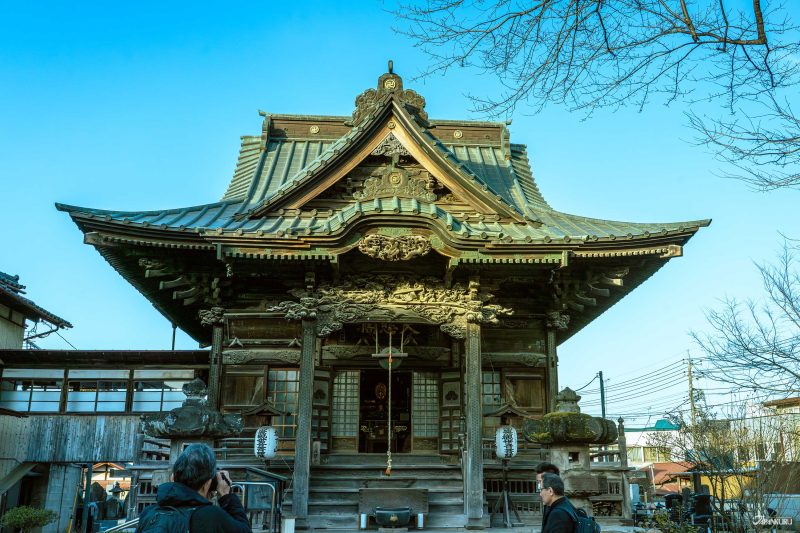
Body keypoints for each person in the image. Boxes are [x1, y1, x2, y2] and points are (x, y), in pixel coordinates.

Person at [136, 443, 251, 533]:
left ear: (173, 478)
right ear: (207, 484)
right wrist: (226, 496)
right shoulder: (211, 516)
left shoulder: (148, 513)